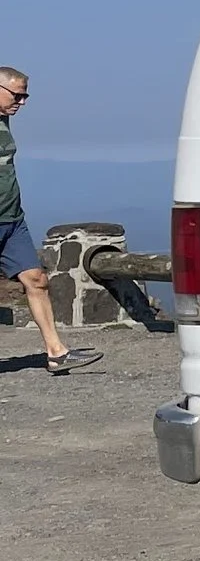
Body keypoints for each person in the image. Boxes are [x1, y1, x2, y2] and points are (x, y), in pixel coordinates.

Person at [0, 68, 100, 374]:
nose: (22, 102)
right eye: (17, 95)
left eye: (25, 95)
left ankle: (56, 352)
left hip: (12, 220)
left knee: (37, 280)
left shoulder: (4, 120)